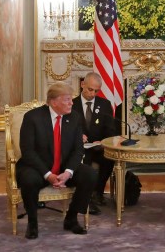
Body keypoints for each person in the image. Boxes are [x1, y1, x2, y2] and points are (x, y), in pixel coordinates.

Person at [17, 82, 95, 240]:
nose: (72, 103)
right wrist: (48, 175)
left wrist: (68, 172)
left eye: (71, 99)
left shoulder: (74, 117)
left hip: (64, 166)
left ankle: (71, 218)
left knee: (90, 174)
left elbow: (78, 149)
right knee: (28, 179)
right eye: (67, 100)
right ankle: (32, 223)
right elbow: (28, 151)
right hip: (38, 167)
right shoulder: (33, 118)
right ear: (54, 102)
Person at [71, 72, 118, 214]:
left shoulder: (104, 105)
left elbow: (111, 131)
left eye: (96, 91)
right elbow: (64, 129)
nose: (93, 93)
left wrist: (103, 141)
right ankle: (86, 197)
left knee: (109, 158)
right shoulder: (71, 104)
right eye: (90, 89)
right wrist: (77, 136)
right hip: (78, 148)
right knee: (85, 161)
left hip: (99, 147)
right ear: (82, 85)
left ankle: (98, 192)